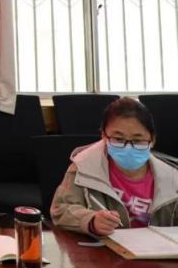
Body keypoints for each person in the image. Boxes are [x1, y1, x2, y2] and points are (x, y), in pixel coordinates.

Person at [51, 97, 178, 234]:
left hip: (158, 246)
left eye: (137, 140)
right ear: (104, 136)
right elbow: (60, 209)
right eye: (118, 139)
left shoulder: (172, 176)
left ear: (152, 140)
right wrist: (91, 220)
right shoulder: (83, 167)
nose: (128, 147)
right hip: (105, 245)